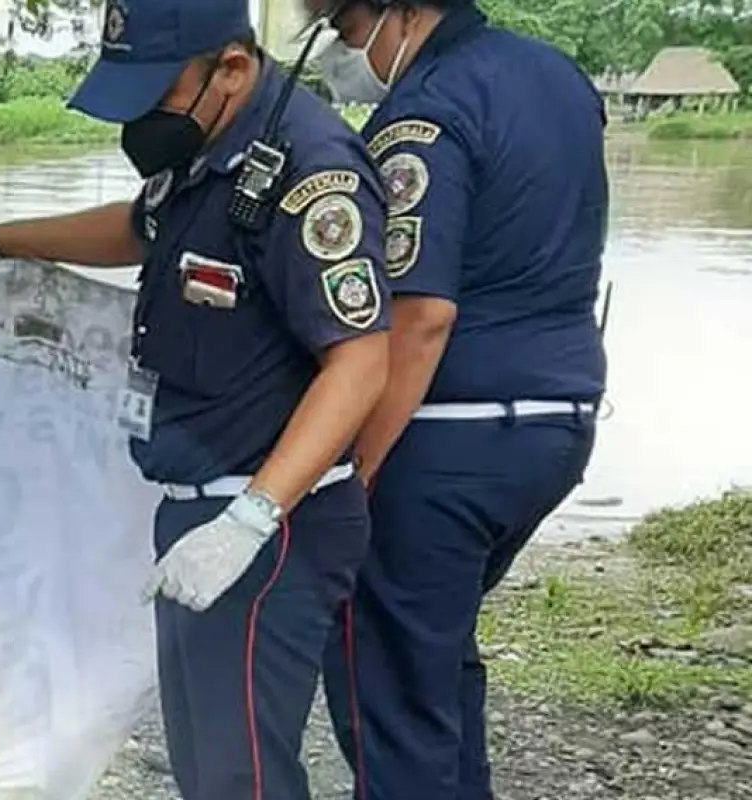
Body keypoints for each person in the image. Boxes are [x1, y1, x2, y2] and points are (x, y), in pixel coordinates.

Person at [0, 1, 393, 796]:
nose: (139, 119)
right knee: (206, 767)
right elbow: (141, 227)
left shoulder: (311, 173)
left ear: (232, 69)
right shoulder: (211, 147)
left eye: (153, 94)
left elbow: (360, 361)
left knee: (244, 774)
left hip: (267, 528)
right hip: (196, 513)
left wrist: (251, 518)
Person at [301, 2, 608, 799]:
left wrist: (353, 466)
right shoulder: (557, 77)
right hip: (557, 419)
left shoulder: (424, 113)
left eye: (340, 29)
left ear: (394, 13)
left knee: (389, 688)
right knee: (432, 658)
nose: (340, 50)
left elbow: (420, 316)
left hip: (445, 438)